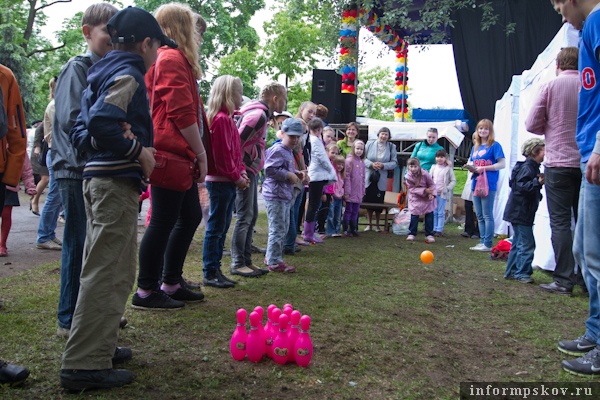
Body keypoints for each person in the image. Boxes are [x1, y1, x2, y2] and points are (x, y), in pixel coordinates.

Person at [60, 6, 172, 390]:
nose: (158, 55)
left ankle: (98, 347)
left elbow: (81, 131)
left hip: (97, 180)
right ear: (145, 44)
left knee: (111, 268)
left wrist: (101, 139)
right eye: (157, 46)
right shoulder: (129, 74)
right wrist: (137, 151)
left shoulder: (100, 72)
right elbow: (102, 121)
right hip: (113, 184)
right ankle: (84, 365)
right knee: (107, 272)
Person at [134, 3, 208, 310]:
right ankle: (147, 290)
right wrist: (201, 152)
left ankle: (170, 281)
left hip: (177, 153)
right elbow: (181, 112)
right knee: (164, 220)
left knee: (188, 215)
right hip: (170, 153)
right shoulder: (172, 58)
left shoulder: (171, 58)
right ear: (181, 27)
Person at [51, 1, 118, 339]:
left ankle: (89, 311)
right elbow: (71, 119)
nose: (113, 37)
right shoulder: (78, 68)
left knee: (94, 248)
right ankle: (68, 318)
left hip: (92, 167)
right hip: (75, 167)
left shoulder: (108, 70)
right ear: (87, 32)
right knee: (78, 245)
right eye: (108, 29)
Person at [551, 0, 600, 377]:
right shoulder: (590, 28)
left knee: (596, 254)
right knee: (586, 250)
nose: (560, 13)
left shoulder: (598, 20)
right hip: (586, 152)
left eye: (558, 4)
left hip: (596, 150)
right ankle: (595, 332)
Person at [525, 46, 585, 295]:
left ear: (558, 65)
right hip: (587, 161)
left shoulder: (551, 86)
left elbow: (531, 124)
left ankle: (563, 279)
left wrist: (551, 126)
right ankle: (587, 279)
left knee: (560, 223)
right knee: (587, 222)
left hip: (559, 162)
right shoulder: (589, 84)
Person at [230, 82, 286, 278]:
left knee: (251, 215)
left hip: (250, 169)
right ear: (275, 99)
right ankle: (238, 262)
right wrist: (240, 170)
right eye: (284, 99)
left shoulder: (262, 115)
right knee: (245, 216)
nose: (285, 103)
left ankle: (246, 260)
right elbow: (236, 142)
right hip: (244, 170)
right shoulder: (258, 115)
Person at [202, 75, 249, 288]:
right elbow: (222, 157)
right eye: (239, 92)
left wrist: (241, 172)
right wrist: (236, 176)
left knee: (222, 226)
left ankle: (215, 268)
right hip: (220, 182)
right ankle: (210, 270)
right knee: (216, 227)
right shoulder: (220, 120)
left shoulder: (228, 120)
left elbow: (235, 153)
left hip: (228, 181)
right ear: (229, 94)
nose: (242, 97)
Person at [263, 118, 305, 273]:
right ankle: (274, 261)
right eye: (291, 136)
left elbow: (283, 168)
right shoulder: (278, 149)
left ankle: (272, 256)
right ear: (282, 134)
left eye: (297, 137)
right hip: (275, 195)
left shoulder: (288, 151)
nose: (294, 140)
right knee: (278, 228)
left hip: (284, 195)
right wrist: (288, 175)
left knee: (284, 227)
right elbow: (269, 170)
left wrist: (295, 173)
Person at [502, 139, 545, 284]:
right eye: (544, 150)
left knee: (518, 242)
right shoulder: (528, 168)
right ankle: (522, 272)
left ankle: (512, 271)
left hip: (518, 211)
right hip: (521, 211)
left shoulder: (528, 167)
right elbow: (521, 187)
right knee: (527, 243)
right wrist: (537, 183)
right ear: (535, 152)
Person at [468, 119, 505, 252]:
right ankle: (482, 240)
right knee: (479, 215)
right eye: (480, 128)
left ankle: (488, 243)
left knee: (487, 214)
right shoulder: (475, 147)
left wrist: (484, 168)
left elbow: (502, 164)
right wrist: (471, 168)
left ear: (490, 131)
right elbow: (473, 163)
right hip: (475, 182)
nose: (482, 131)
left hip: (488, 183)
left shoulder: (495, 146)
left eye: (486, 129)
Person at [36, 77, 63, 251]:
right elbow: (60, 129)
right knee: (54, 195)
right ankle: (44, 236)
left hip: (57, 153)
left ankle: (49, 234)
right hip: (55, 153)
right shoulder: (54, 106)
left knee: (58, 196)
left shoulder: (57, 104)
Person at [303, 117, 337, 243]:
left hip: (315, 175)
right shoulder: (315, 141)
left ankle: (309, 231)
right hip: (316, 176)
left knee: (314, 204)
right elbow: (322, 158)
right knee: (314, 204)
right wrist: (331, 172)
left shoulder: (312, 140)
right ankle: (308, 233)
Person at [0, 153, 36, 256]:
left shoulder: (17, 144)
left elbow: (26, 168)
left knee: (6, 214)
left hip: (9, 184)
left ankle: (2, 244)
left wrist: (30, 186)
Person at [363, 127, 398, 232]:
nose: (383, 136)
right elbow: (363, 158)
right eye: (382, 134)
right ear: (378, 134)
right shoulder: (369, 144)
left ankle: (378, 225)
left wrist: (383, 165)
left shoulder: (392, 147)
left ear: (388, 136)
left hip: (381, 177)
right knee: (368, 201)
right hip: (369, 176)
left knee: (379, 201)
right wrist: (371, 164)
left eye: (386, 134)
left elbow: (394, 162)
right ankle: (369, 224)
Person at [405, 157, 436, 243]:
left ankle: (429, 234)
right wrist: (423, 190)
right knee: (414, 215)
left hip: (427, 197)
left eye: (415, 166)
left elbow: (432, 185)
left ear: (418, 166)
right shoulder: (408, 176)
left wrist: (431, 194)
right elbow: (411, 188)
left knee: (429, 215)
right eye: (411, 166)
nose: (413, 169)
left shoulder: (425, 174)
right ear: (408, 167)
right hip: (415, 197)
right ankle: (412, 233)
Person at [429, 149, 456, 236]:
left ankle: (439, 229)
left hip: (442, 194)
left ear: (445, 158)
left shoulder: (448, 169)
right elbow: (429, 179)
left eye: (441, 157)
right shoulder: (433, 167)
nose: (439, 159)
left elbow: (453, 181)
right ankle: (433, 228)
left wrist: (447, 188)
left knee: (441, 212)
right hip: (433, 193)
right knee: (434, 212)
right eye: (437, 157)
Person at [343, 139, 366, 237]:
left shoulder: (362, 162)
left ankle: (353, 229)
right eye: (357, 148)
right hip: (350, 190)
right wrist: (347, 191)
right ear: (353, 148)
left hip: (358, 191)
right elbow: (347, 177)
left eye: (361, 149)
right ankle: (345, 229)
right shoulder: (349, 161)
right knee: (348, 210)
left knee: (355, 211)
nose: (359, 151)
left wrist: (363, 191)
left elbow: (363, 178)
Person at [316, 143, 340, 235]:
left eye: (336, 153)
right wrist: (323, 192)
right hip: (324, 191)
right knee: (321, 210)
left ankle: (322, 228)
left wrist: (332, 193)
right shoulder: (325, 163)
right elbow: (324, 179)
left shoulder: (333, 164)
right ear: (327, 152)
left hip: (330, 192)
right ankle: (318, 227)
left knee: (326, 210)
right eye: (332, 152)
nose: (334, 155)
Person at [30, 121, 48, 215]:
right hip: (42, 152)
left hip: (51, 151)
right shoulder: (52, 108)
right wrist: (37, 146)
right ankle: (34, 201)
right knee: (45, 179)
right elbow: (39, 129)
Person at [326, 154, 346, 237]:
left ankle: (337, 230)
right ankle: (330, 231)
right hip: (333, 197)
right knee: (331, 215)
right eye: (338, 164)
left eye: (342, 164)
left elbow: (343, 186)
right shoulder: (332, 174)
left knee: (338, 215)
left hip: (340, 198)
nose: (340, 166)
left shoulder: (342, 176)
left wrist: (344, 197)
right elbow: (330, 185)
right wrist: (331, 194)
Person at [460, 168, 480, 239]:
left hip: (480, 182)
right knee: (468, 206)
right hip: (470, 182)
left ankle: (478, 231)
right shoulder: (471, 157)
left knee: (480, 209)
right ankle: (468, 229)